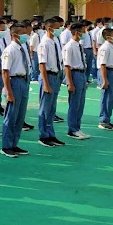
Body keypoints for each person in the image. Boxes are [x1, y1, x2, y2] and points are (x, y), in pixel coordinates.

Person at [0, 22, 31, 158]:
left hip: (24, 81)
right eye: (23, 33)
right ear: (15, 35)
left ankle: (14, 143)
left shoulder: (22, 48)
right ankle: (6, 146)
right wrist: (9, 92)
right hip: (14, 82)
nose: (26, 35)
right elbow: (5, 72)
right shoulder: (10, 50)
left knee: (20, 116)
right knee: (11, 115)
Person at [37, 18, 63, 147]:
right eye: (58, 27)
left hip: (56, 75)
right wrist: (46, 84)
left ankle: (51, 133)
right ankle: (43, 136)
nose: (60, 30)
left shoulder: (55, 41)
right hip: (48, 76)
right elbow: (42, 64)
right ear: (49, 28)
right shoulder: (44, 43)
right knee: (45, 108)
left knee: (52, 108)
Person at [63, 22, 91, 140]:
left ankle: (77, 127)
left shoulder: (78, 45)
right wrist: (70, 82)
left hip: (81, 73)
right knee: (74, 103)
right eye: (83, 31)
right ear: (77, 32)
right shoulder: (69, 46)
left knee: (80, 103)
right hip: (74, 74)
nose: (85, 33)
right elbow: (67, 66)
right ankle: (72, 129)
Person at [97, 27, 113, 129]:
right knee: (106, 97)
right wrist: (104, 79)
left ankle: (107, 119)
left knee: (111, 98)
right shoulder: (105, 48)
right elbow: (102, 64)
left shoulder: (111, 47)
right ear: (108, 37)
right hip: (108, 72)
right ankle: (103, 120)